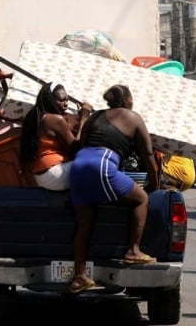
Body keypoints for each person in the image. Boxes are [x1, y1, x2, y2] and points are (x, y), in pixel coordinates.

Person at [67, 85, 159, 294]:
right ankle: (133, 251)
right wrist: (154, 183)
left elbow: (80, 144)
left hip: (78, 168)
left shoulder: (95, 117)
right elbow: (148, 155)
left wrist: (83, 117)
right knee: (141, 199)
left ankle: (79, 276)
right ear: (126, 100)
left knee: (84, 225)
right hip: (101, 165)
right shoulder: (133, 117)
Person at [19, 81, 92, 190]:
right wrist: (84, 119)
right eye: (62, 100)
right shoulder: (56, 120)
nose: (66, 103)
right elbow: (76, 150)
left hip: (42, 175)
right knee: (97, 165)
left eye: (67, 99)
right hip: (54, 173)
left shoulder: (36, 115)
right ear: (50, 100)